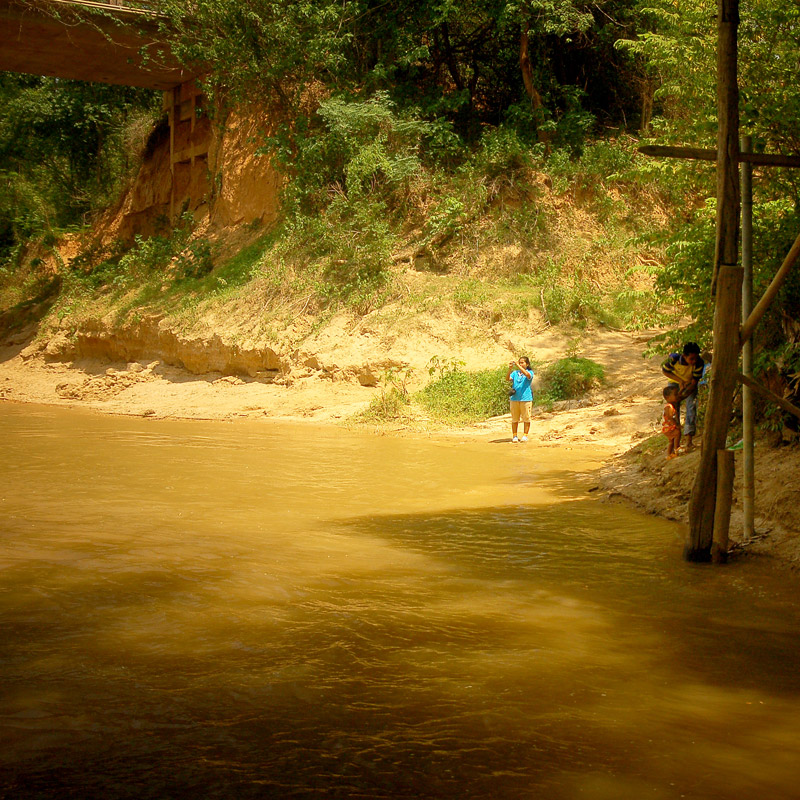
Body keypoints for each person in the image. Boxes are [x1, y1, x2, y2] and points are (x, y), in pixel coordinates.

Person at [661, 342, 705, 450]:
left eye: (696, 358)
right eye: (691, 359)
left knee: (691, 407)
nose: (694, 361)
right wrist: (680, 381)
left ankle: (689, 440)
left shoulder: (699, 363)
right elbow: (665, 371)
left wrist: (683, 394)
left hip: (690, 385)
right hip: (674, 382)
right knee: (674, 410)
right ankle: (675, 441)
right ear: (684, 356)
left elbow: (694, 381)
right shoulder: (674, 359)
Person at [507, 356, 533, 443]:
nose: (521, 364)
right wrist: (510, 369)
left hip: (526, 399)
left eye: (522, 362)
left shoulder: (530, 372)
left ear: (527, 364)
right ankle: (514, 435)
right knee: (515, 418)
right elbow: (508, 379)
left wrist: (518, 365)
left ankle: (525, 435)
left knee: (526, 418)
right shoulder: (515, 373)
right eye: (520, 362)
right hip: (514, 399)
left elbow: (527, 375)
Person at [662, 385, 681, 459]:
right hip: (669, 426)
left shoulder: (671, 406)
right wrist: (675, 424)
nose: (677, 396)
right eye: (675, 395)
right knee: (677, 434)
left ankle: (669, 454)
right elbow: (669, 417)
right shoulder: (669, 406)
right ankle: (677, 449)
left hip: (668, 426)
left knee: (671, 441)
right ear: (667, 397)